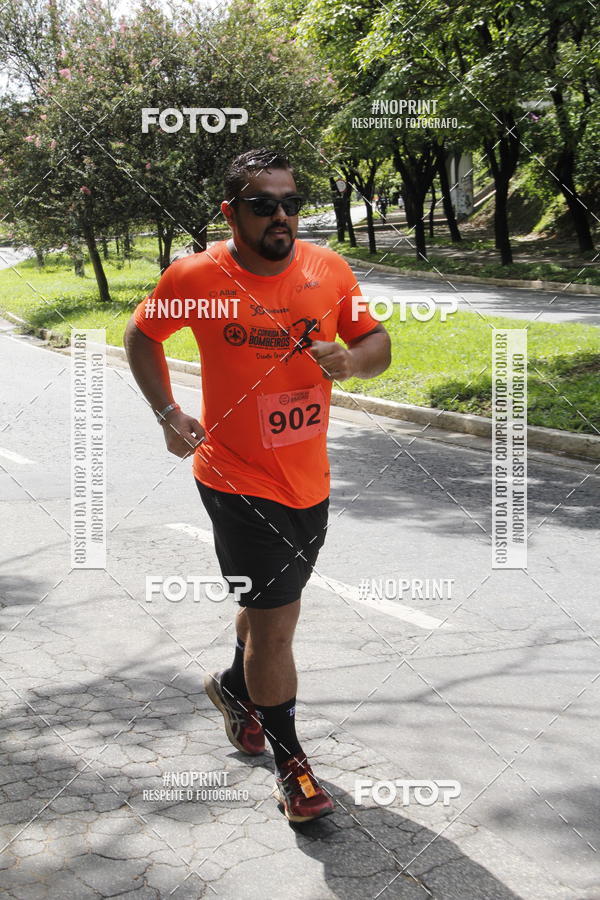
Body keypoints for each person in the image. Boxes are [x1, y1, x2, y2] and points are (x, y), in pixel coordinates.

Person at [124, 148, 391, 824]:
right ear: (230, 212)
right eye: (263, 204)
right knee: (277, 627)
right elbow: (139, 334)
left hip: (310, 481)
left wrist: (353, 360)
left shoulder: (326, 270)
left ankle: (232, 689)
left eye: (292, 202)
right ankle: (292, 768)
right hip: (235, 479)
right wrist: (166, 414)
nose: (282, 216)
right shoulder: (196, 275)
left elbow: (378, 343)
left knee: (273, 605)